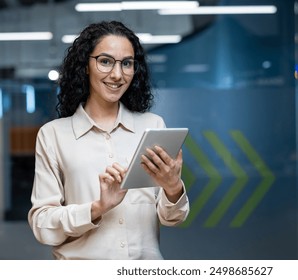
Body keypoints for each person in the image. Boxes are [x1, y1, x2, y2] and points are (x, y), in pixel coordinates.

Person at [28, 21, 190, 260]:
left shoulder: (152, 126)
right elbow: (43, 225)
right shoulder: (53, 135)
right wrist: (97, 208)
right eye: (105, 61)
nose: (117, 74)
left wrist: (173, 187)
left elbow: (172, 218)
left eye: (127, 64)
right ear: (86, 66)